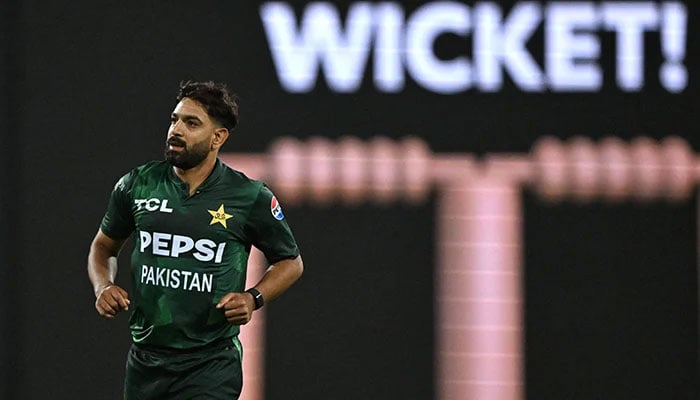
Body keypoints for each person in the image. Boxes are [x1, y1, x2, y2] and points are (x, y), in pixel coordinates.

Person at [87, 80, 303, 399]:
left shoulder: (249, 196)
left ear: (218, 137)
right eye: (175, 119)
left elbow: (290, 262)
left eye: (191, 123)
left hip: (210, 363)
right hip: (146, 361)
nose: (176, 130)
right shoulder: (137, 185)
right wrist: (103, 285)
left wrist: (252, 298)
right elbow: (103, 247)